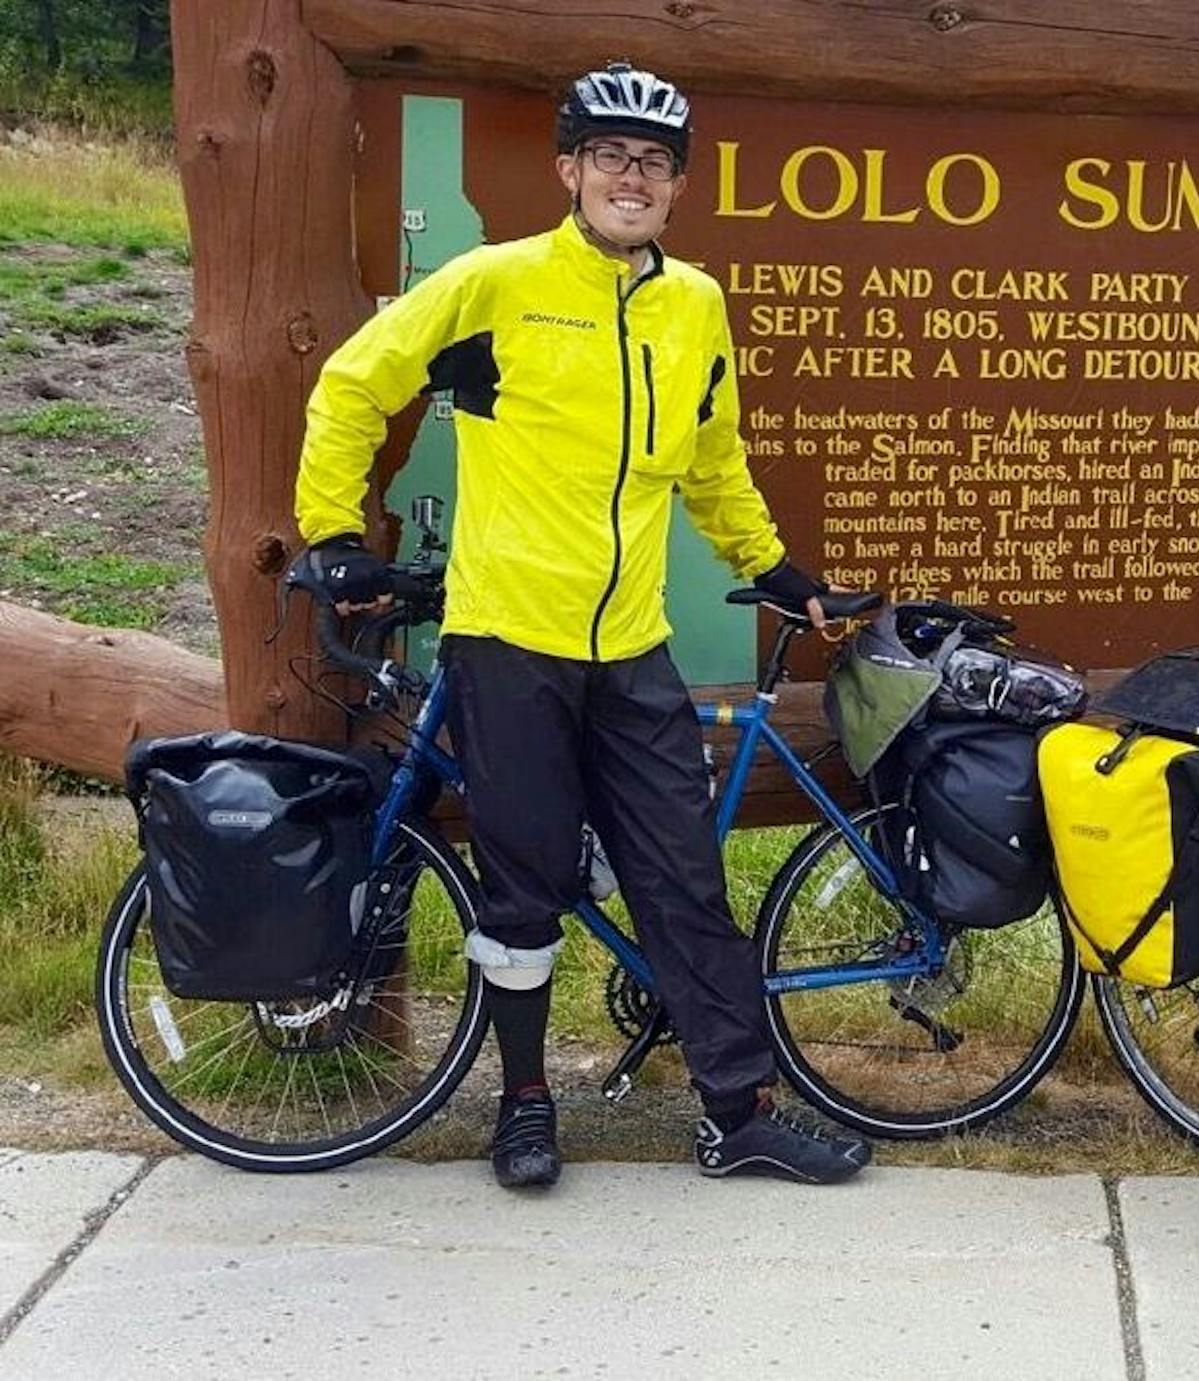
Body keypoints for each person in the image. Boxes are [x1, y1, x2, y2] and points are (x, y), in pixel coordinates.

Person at [292, 61, 870, 1189]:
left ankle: (737, 1112)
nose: (631, 176)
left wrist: (772, 564)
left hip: (632, 647)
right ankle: (523, 1102)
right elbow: (354, 383)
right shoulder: (496, 283)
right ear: (568, 170)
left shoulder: (693, 304)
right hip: (509, 636)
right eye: (609, 155)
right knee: (524, 884)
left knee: (684, 879)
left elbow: (712, 461)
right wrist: (331, 531)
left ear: (676, 189)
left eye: (653, 162)